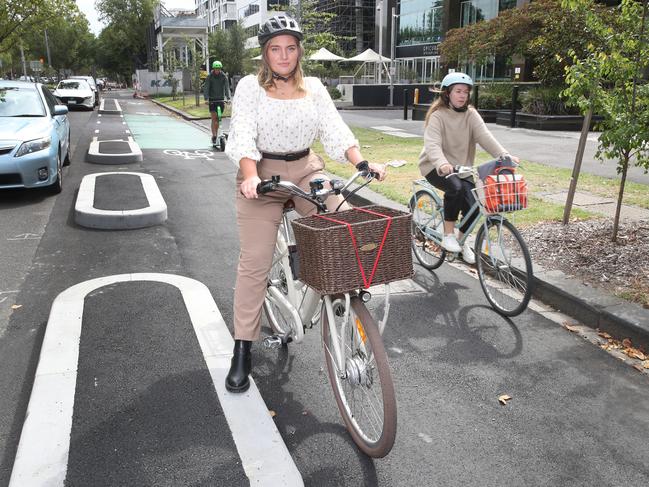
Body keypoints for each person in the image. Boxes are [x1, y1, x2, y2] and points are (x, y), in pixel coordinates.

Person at [223, 13, 386, 393]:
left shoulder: (312, 87)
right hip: (262, 174)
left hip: (305, 167)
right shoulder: (250, 86)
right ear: (265, 54)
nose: (283, 56)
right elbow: (243, 132)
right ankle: (243, 347)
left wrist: (360, 161)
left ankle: (342, 297)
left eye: (290, 48)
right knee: (255, 263)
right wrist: (250, 175)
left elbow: (334, 128)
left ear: (299, 51)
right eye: (275, 49)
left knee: (344, 226)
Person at [418, 72, 518, 264]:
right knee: (454, 188)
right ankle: (448, 234)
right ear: (448, 93)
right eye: (458, 91)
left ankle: (461, 241)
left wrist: (504, 156)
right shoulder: (438, 116)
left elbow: (485, 137)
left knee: (474, 205)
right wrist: (443, 164)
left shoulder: (471, 114)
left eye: (466, 92)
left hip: (462, 167)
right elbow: (432, 145)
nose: (462, 95)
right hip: (435, 166)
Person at [203, 60, 231, 145]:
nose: (217, 70)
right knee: (214, 118)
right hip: (212, 100)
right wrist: (206, 98)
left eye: (219, 69)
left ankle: (218, 133)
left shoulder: (224, 77)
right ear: (213, 69)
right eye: (216, 69)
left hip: (221, 99)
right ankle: (214, 136)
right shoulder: (209, 77)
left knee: (219, 119)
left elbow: (226, 87)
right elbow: (206, 88)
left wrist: (228, 98)